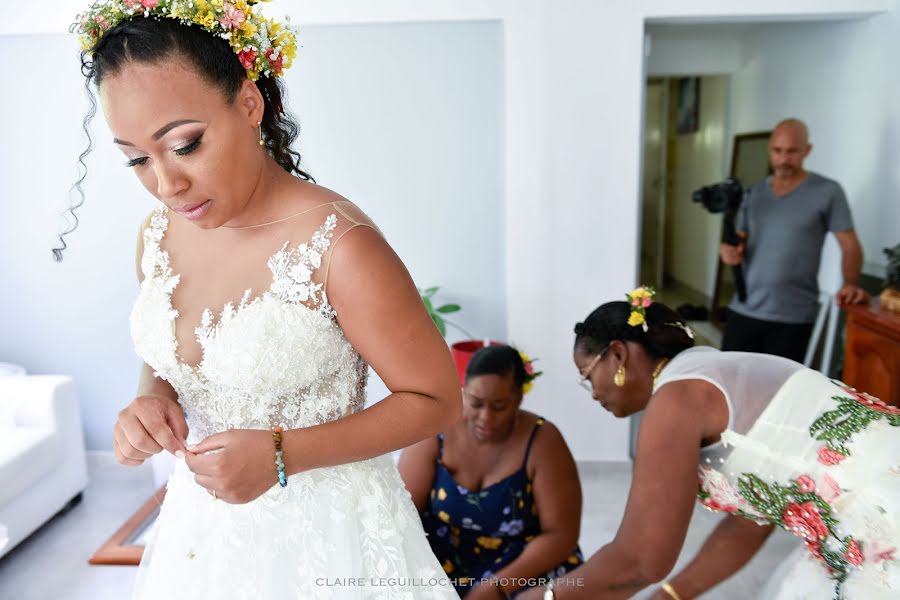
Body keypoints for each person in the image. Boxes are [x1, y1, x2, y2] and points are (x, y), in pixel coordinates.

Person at [66, 2, 461, 598]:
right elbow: (175, 356)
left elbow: (436, 401)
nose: (166, 185)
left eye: (186, 144)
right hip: (199, 534)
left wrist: (284, 454)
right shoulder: (155, 238)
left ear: (249, 104)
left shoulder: (340, 246)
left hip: (330, 537)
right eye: (137, 159)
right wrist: (149, 402)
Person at [520, 287, 898, 600]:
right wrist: (670, 595)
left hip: (883, 521)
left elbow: (640, 559)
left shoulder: (677, 397)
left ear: (618, 355)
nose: (592, 393)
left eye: (587, 376)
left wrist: (550, 595)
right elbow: (750, 522)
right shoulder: (712, 371)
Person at [399, 345, 584, 599]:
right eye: (475, 403)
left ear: (519, 397)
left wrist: (496, 587)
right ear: (463, 392)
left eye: (499, 406)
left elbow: (561, 534)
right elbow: (403, 514)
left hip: (522, 566)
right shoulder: (437, 430)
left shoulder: (542, 441)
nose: (485, 417)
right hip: (446, 561)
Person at [719, 118, 868, 362]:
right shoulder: (753, 194)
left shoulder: (828, 192)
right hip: (743, 311)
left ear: (807, 150)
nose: (783, 159)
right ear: (770, 149)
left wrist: (850, 283)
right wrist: (728, 252)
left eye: (791, 151)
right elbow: (739, 244)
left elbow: (850, 245)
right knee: (731, 386)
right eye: (777, 151)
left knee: (782, 394)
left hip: (792, 317)